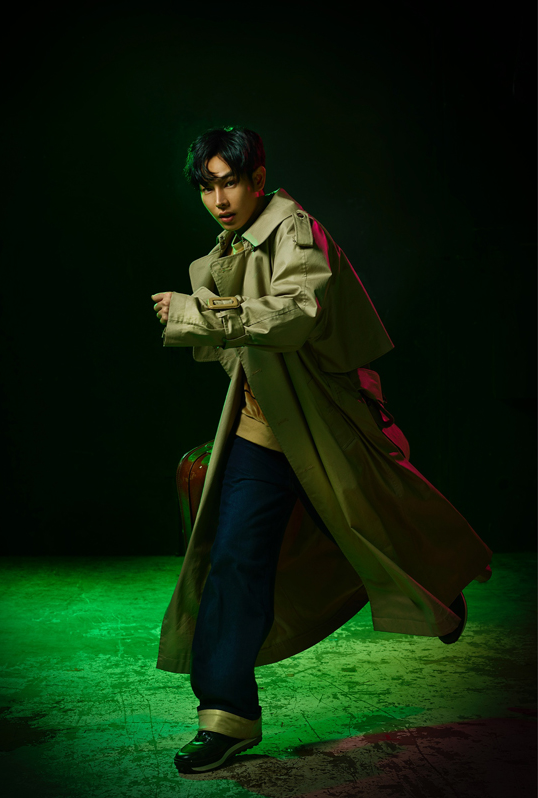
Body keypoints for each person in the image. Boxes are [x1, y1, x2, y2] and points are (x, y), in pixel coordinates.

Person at [151, 126, 493, 775]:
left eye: (230, 182)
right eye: (207, 186)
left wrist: (199, 313)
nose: (219, 199)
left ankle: (436, 589)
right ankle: (226, 716)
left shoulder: (296, 230)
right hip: (262, 431)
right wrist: (208, 324)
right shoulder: (224, 250)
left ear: (257, 179)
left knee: (376, 525)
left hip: (326, 423)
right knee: (233, 560)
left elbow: (295, 314)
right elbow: (238, 351)